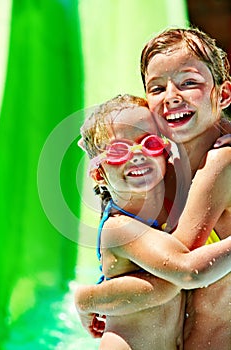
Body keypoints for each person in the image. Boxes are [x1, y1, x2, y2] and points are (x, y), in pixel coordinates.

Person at [75, 94, 231, 350]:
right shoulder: (119, 228)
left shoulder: (175, 200)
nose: (137, 155)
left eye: (150, 143)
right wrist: (88, 299)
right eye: (117, 151)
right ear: (98, 173)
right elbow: (187, 274)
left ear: (165, 153)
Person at [140, 26, 231, 349]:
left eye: (189, 82)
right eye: (157, 88)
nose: (171, 96)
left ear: (223, 95)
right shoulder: (168, 163)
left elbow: (178, 268)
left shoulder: (222, 160)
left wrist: (92, 298)